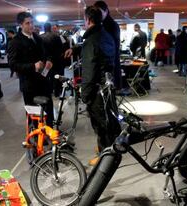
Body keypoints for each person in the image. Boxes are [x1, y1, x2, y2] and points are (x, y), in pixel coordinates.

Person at [65, 6, 121, 166]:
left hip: (97, 89)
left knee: (101, 124)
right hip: (108, 86)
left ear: (88, 20)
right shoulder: (106, 35)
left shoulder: (91, 40)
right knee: (108, 119)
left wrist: (85, 94)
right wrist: (76, 49)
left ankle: (106, 157)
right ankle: (106, 149)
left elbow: (89, 71)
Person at [7, 11, 54, 126]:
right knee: (34, 112)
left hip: (43, 80)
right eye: (28, 23)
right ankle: (37, 135)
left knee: (48, 107)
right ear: (21, 25)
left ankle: (50, 130)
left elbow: (47, 53)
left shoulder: (38, 38)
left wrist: (49, 60)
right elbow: (13, 64)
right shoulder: (15, 42)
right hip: (29, 84)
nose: (31, 25)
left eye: (32, 22)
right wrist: (33, 66)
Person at [94, 1, 122, 90]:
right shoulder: (100, 24)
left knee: (109, 95)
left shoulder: (112, 25)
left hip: (110, 64)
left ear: (106, 11)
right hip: (104, 65)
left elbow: (113, 46)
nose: (97, 14)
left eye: (99, 11)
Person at [41, 22, 66, 97]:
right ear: (50, 27)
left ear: (44, 28)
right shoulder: (57, 36)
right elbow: (61, 48)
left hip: (45, 61)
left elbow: (40, 50)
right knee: (57, 76)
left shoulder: (40, 37)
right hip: (56, 60)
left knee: (46, 75)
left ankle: (48, 91)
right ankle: (57, 92)